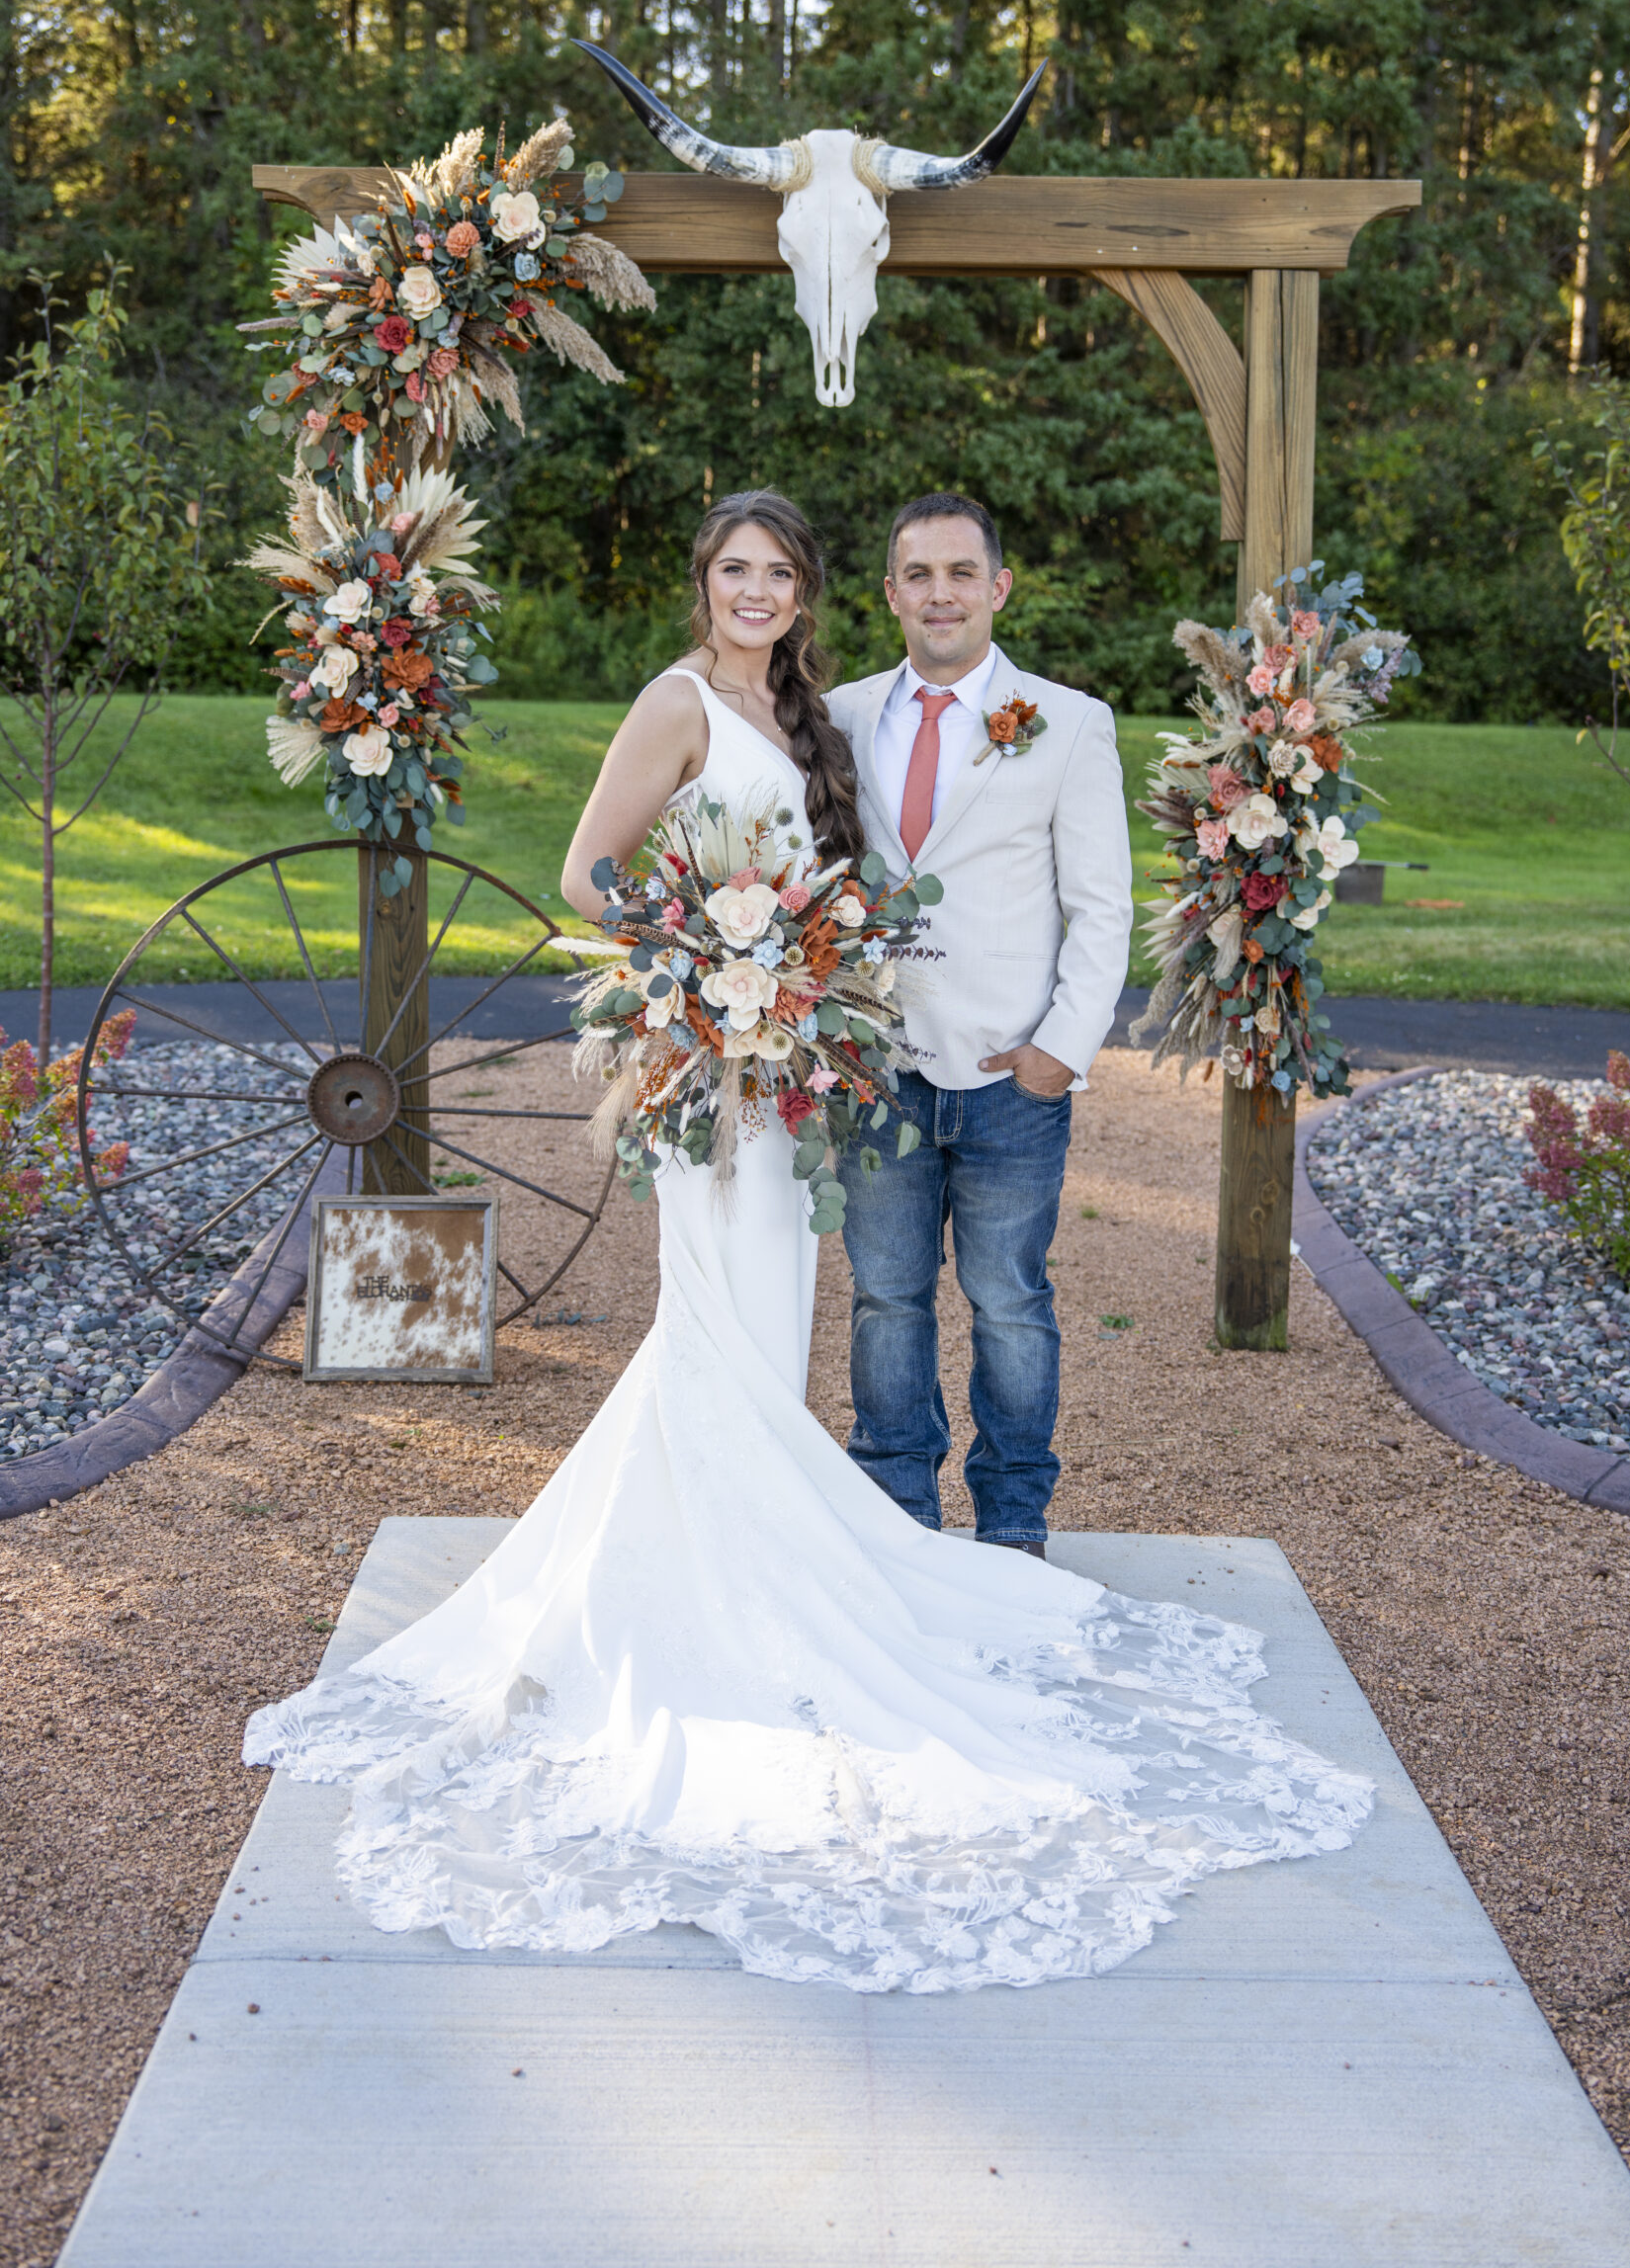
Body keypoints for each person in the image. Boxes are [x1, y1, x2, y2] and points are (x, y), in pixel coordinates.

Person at [245, 486, 1369, 1995]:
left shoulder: (858, 712)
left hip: (837, 1074)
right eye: (734, 569)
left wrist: (1039, 1042)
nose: (759, 590)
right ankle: (739, 1587)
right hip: (747, 1070)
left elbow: (1050, 900)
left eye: (782, 571)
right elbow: (598, 874)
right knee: (797, 1317)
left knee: (905, 1314)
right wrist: (706, 972)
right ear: (705, 579)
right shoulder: (714, 699)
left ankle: (929, 1535)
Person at [827, 493, 1132, 1557]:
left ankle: (1012, 1520)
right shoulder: (842, 715)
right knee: (885, 1299)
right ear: (891, 593)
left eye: (962, 572)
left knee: (1009, 1301)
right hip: (878, 1068)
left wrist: (1063, 1048)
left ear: (999, 587)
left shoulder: (1068, 722)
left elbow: (1102, 905)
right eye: (919, 573)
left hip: (1012, 1075)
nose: (940, 592)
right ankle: (897, 1509)